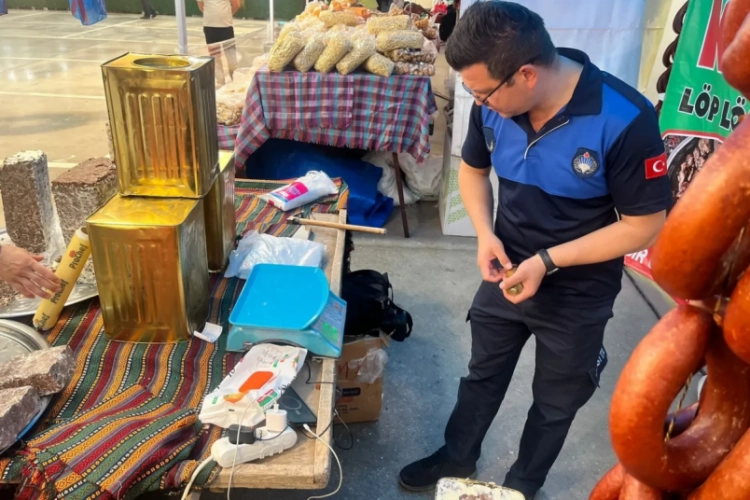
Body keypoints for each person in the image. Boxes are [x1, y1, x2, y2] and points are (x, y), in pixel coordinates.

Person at [398, 2, 671, 499]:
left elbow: (645, 226)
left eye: (483, 92)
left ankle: (524, 483)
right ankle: (458, 454)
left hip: (579, 291)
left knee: (556, 400)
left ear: (526, 74)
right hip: (506, 270)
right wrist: (485, 234)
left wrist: (548, 261)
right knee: (482, 373)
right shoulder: (494, 105)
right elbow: (473, 171)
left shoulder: (624, 118)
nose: (479, 103)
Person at [198, 0, 240, 84]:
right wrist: (213, 18)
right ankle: (220, 82)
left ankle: (235, 82)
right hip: (210, 27)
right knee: (215, 57)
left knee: (231, 57)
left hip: (226, 27)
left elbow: (236, 5)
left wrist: (225, 16)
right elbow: (201, 6)